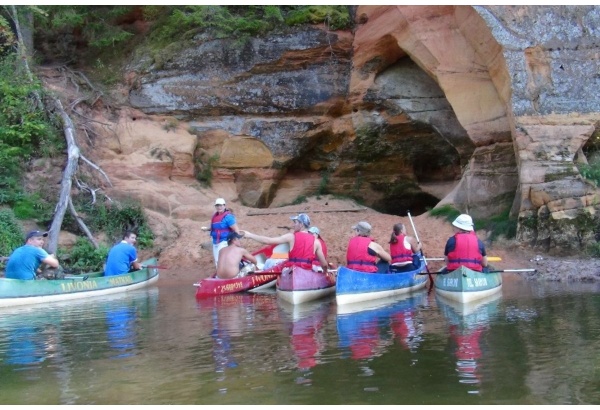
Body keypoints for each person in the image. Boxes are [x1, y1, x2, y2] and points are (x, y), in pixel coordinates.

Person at [242, 213, 328, 274]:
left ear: (301, 224)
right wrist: (325, 273)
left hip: (292, 271)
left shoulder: (291, 237)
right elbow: (324, 264)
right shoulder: (316, 241)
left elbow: (268, 241)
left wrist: (250, 235)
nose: (293, 225)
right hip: (306, 272)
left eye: (295, 222)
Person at [202, 198, 241, 267]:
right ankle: (221, 274)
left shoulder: (228, 217)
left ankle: (229, 273)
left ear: (224, 206)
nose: (219, 207)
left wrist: (237, 241)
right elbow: (214, 228)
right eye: (217, 206)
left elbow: (236, 230)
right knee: (217, 260)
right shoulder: (215, 216)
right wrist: (206, 229)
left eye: (220, 205)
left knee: (224, 259)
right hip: (215, 241)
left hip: (225, 241)